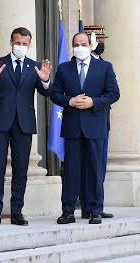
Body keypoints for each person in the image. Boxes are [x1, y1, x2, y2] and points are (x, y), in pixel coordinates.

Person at [0, 27, 51, 226]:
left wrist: (45, 81)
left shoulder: (35, 67)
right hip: (0, 123)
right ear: (11, 42)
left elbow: (46, 93)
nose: (21, 47)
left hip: (24, 124)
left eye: (25, 44)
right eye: (18, 43)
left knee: (21, 169)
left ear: (29, 44)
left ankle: (17, 212)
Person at [51, 32, 120, 225]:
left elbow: (114, 94)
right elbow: (55, 94)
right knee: (71, 170)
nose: (79, 47)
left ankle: (95, 210)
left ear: (90, 46)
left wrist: (94, 102)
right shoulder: (64, 69)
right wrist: (70, 101)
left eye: (83, 43)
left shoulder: (105, 67)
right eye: (76, 44)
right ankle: (68, 210)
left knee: (94, 169)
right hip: (72, 126)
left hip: (95, 126)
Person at [79, 25, 114, 220]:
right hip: (83, 120)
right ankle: (88, 205)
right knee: (86, 166)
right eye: (98, 41)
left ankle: (96, 206)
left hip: (100, 119)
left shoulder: (104, 64)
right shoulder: (80, 64)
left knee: (99, 165)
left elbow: (112, 93)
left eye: (102, 41)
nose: (101, 45)